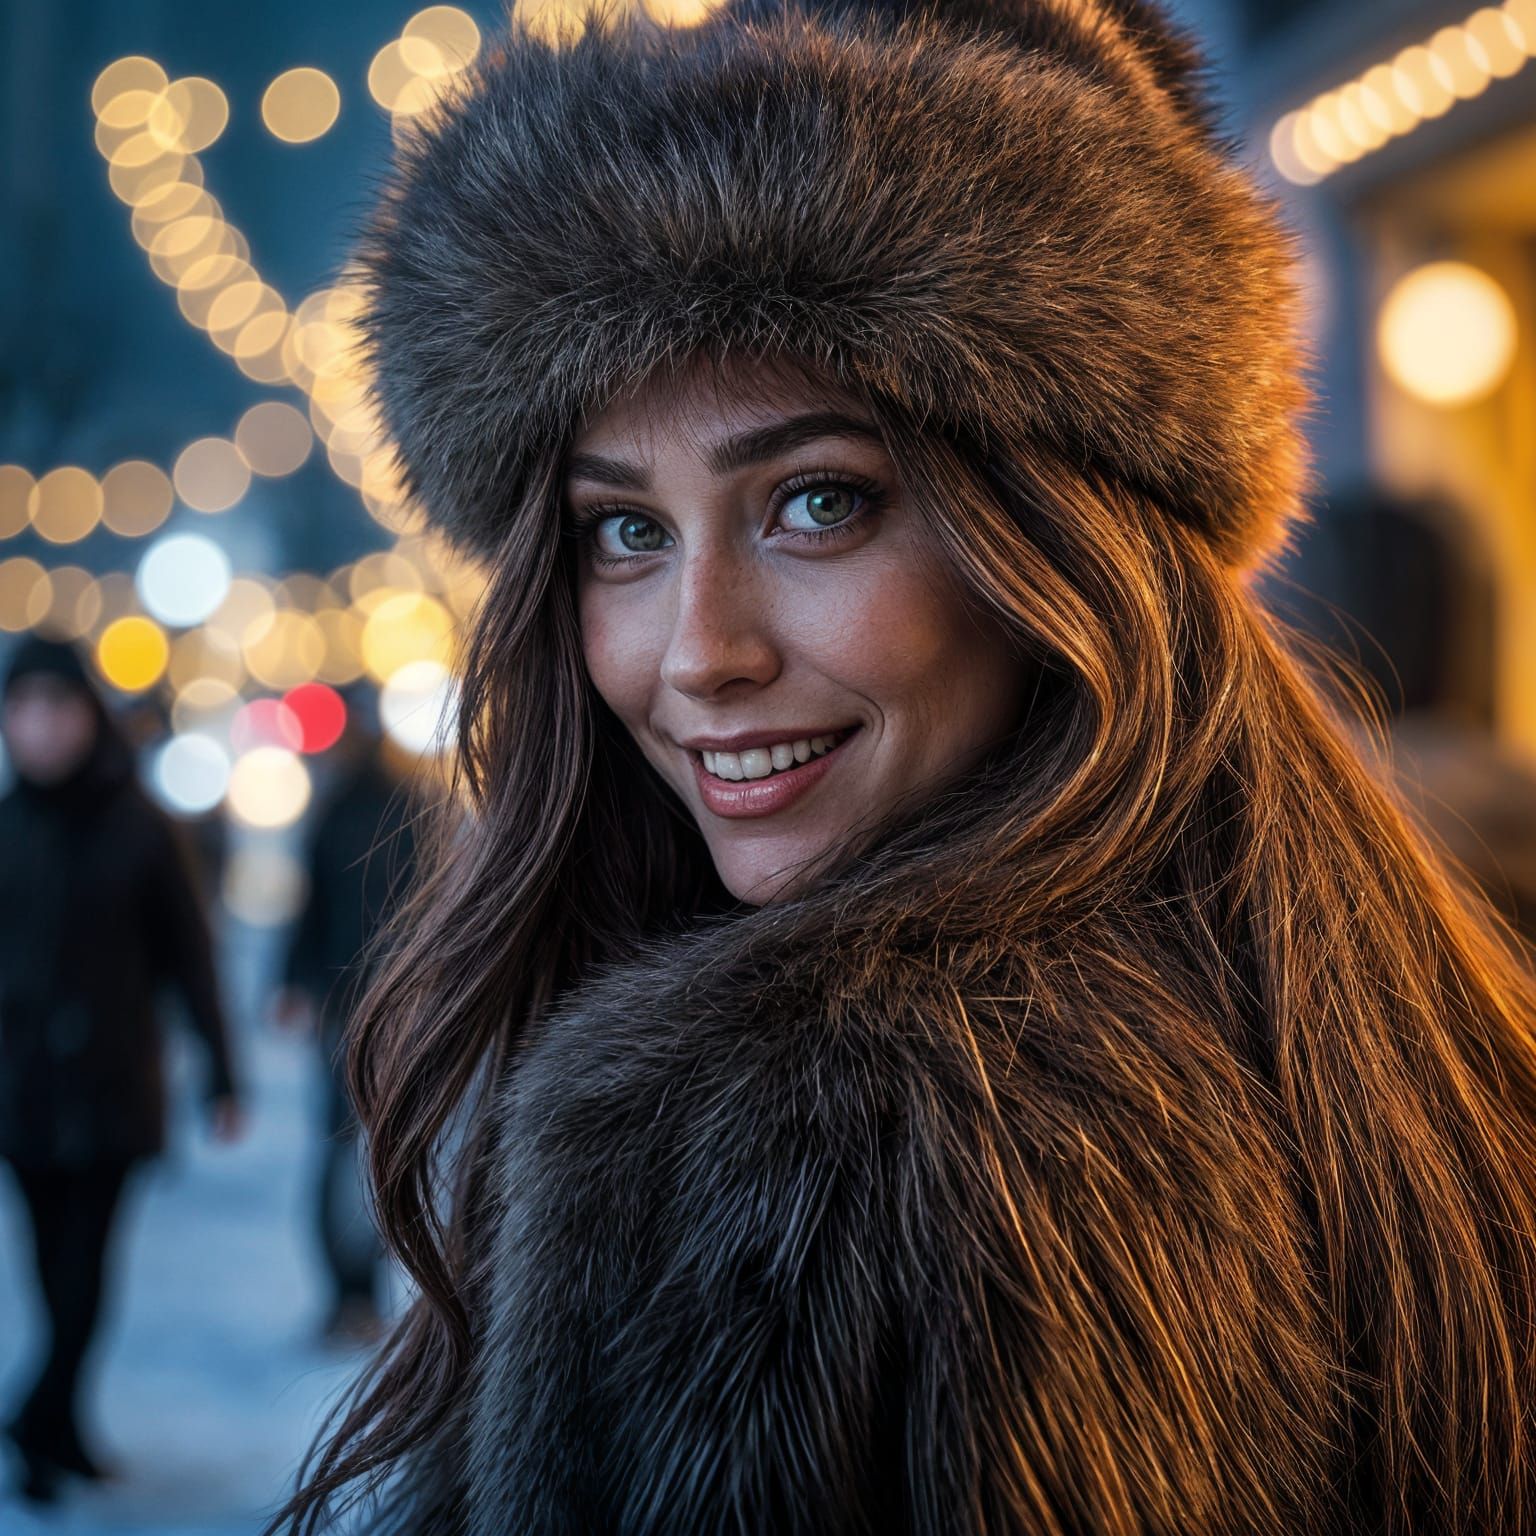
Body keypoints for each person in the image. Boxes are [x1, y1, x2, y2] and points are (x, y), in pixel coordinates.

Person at [273, 1, 1536, 1531]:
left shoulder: (836, 1132)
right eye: (627, 530)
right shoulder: (1338, 1012)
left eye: (817, 503)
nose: (697, 651)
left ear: (1064, 539)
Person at [0, 636, 243, 1505]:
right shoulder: (8, 825)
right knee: (48, 1266)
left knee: (86, 1272)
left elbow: (190, 954)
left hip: (110, 1089)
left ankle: (40, 1418)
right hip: (22, 1094)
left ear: (88, 716)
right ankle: (57, 1427)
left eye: (55, 708)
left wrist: (223, 1070)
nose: (38, 728)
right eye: (21, 709)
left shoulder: (140, 825)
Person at [275, 705, 418, 1345]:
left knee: (360, 1145)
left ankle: (357, 1293)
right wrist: (289, 980)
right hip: (360, 1003)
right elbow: (308, 905)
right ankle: (351, 1293)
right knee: (356, 1145)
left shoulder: (404, 809)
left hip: (379, 1004)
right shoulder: (385, 806)